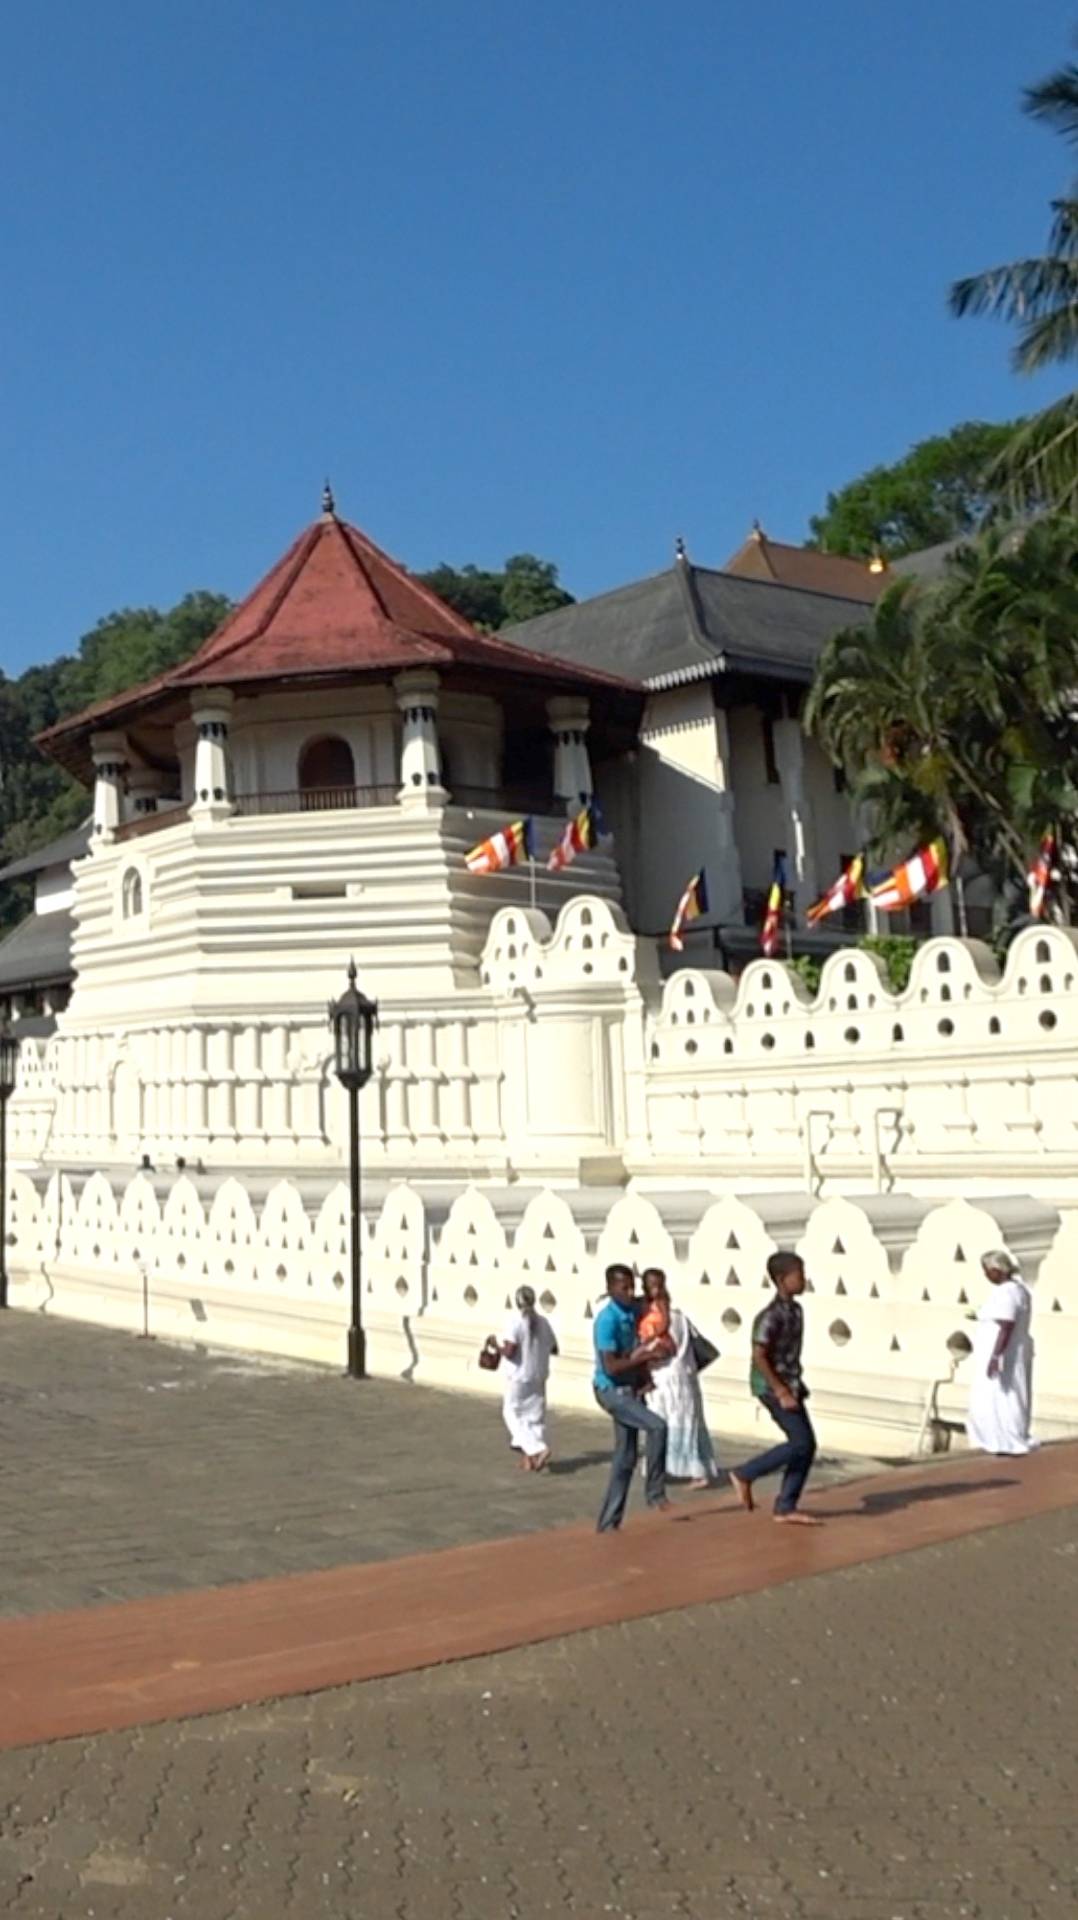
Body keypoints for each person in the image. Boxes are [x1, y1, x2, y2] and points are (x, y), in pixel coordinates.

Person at [728, 1250, 821, 1526]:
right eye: (798, 1275)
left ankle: (786, 1506)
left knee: (806, 1446)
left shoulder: (795, 1311)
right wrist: (780, 1390)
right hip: (771, 1386)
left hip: (791, 1384)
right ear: (781, 1279)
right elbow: (759, 1355)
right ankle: (746, 1473)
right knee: (800, 1442)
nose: (803, 1280)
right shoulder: (770, 1316)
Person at [593, 1263, 669, 1532]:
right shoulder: (607, 1320)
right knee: (657, 1426)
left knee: (625, 1458)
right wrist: (646, 1356)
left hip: (629, 1389)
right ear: (610, 1288)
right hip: (610, 1390)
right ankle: (655, 1492)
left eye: (631, 1287)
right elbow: (611, 1367)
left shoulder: (632, 1309)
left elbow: (655, 1301)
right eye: (623, 1288)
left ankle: (609, 1522)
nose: (628, 1292)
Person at [640, 1268, 719, 1488]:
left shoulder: (653, 1320)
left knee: (665, 1423)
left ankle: (673, 1468)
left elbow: (660, 1350)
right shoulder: (679, 1317)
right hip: (684, 1376)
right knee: (687, 1422)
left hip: (664, 1379)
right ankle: (690, 1469)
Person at [966, 1249, 1039, 1456]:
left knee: (1003, 1397)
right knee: (1004, 1396)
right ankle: (1000, 1439)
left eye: (987, 1270)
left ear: (997, 1270)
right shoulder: (1017, 1290)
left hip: (1005, 1354)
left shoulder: (1008, 1292)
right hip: (1010, 1352)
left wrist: (996, 1356)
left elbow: (1006, 1325)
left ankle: (1007, 1440)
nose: (985, 1275)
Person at [499, 1284, 559, 1470]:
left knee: (511, 1413)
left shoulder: (516, 1322)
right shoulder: (544, 1322)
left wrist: (497, 1347)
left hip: (519, 1377)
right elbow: (554, 1348)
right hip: (539, 1376)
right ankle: (530, 1460)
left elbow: (510, 1351)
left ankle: (537, 1449)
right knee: (534, 1418)